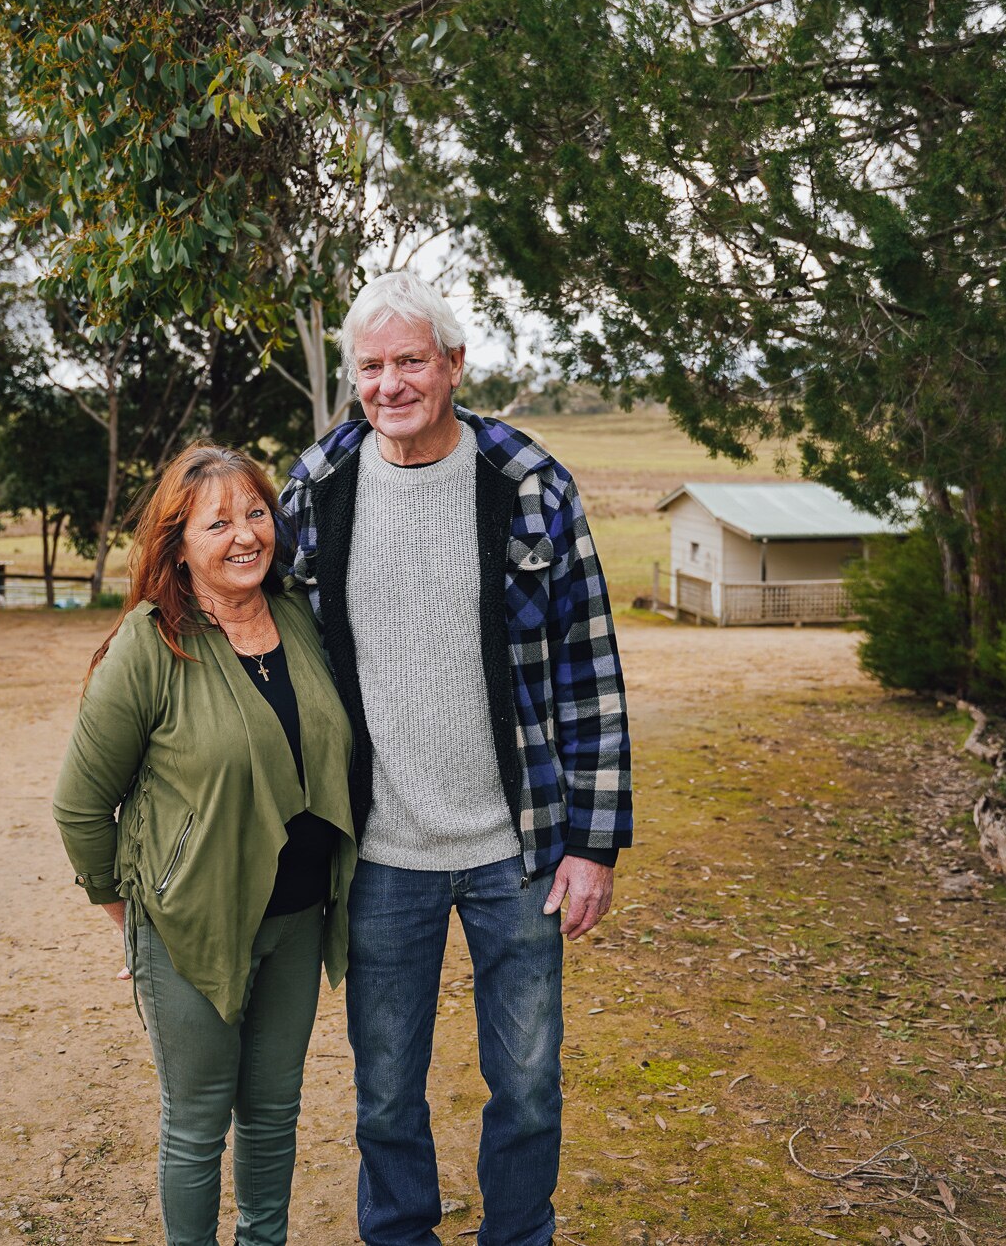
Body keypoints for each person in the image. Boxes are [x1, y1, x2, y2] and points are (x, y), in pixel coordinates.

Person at [279, 271, 633, 1246]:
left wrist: (591, 844)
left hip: (514, 853)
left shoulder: (528, 485)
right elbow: (265, 649)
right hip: (380, 853)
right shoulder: (317, 487)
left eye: (409, 362)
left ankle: (517, 1236)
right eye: (371, 366)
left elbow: (587, 673)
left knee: (525, 1083)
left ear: (452, 366)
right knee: (385, 1092)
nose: (390, 384)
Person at [53, 443, 356, 1246]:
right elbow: (81, 805)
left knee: (272, 1113)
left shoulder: (296, 615)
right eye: (217, 522)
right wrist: (132, 916)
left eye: (256, 512)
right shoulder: (151, 646)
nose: (244, 535)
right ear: (177, 544)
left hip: (297, 918)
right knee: (195, 1125)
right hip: (192, 931)